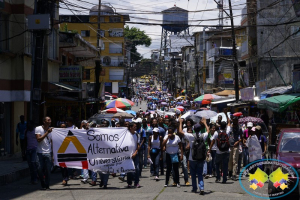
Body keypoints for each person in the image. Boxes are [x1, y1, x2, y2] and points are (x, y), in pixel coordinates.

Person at [178, 119, 208, 195]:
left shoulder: (191, 136)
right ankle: (201, 187)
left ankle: (194, 188)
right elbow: (208, 131)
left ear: (194, 129)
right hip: (201, 158)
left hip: (192, 158)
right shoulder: (203, 136)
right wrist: (205, 123)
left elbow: (180, 132)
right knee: (200, 174)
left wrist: (181, 122)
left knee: (193, 174)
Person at [35, 116, 53, 190]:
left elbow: (52, 142)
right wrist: (47, 132)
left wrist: (53, 154)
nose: (50, 121)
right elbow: (38, 139)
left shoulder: (52, 130)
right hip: (40, 152)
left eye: (50, 120)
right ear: (44, 121)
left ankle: (47, 184)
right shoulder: (38, 128)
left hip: (48, 152)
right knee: (39, 169)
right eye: (48, 120)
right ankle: (42, 181)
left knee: (48, 170)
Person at [227, 114, 243, 181]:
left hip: (236, 145)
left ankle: (234, 174)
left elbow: (242, 137)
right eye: (233, 120)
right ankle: (230, 172)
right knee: (230, 160)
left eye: (236, 120)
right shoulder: (230, 127)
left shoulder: (239, 128)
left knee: (235, 160)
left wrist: (238, 141)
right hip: (230, 145)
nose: (235, 121)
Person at [127, 122, 141, 188]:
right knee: (129, 169)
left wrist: (135, 152)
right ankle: (129, 183)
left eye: (136, 126)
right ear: (130, 127)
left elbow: (138, 145)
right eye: (134, 126)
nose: (135, 127)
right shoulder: (126, 135)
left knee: (137, 169)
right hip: (128, 155)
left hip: (135, 155)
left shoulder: (137, 135)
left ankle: (136, 182)